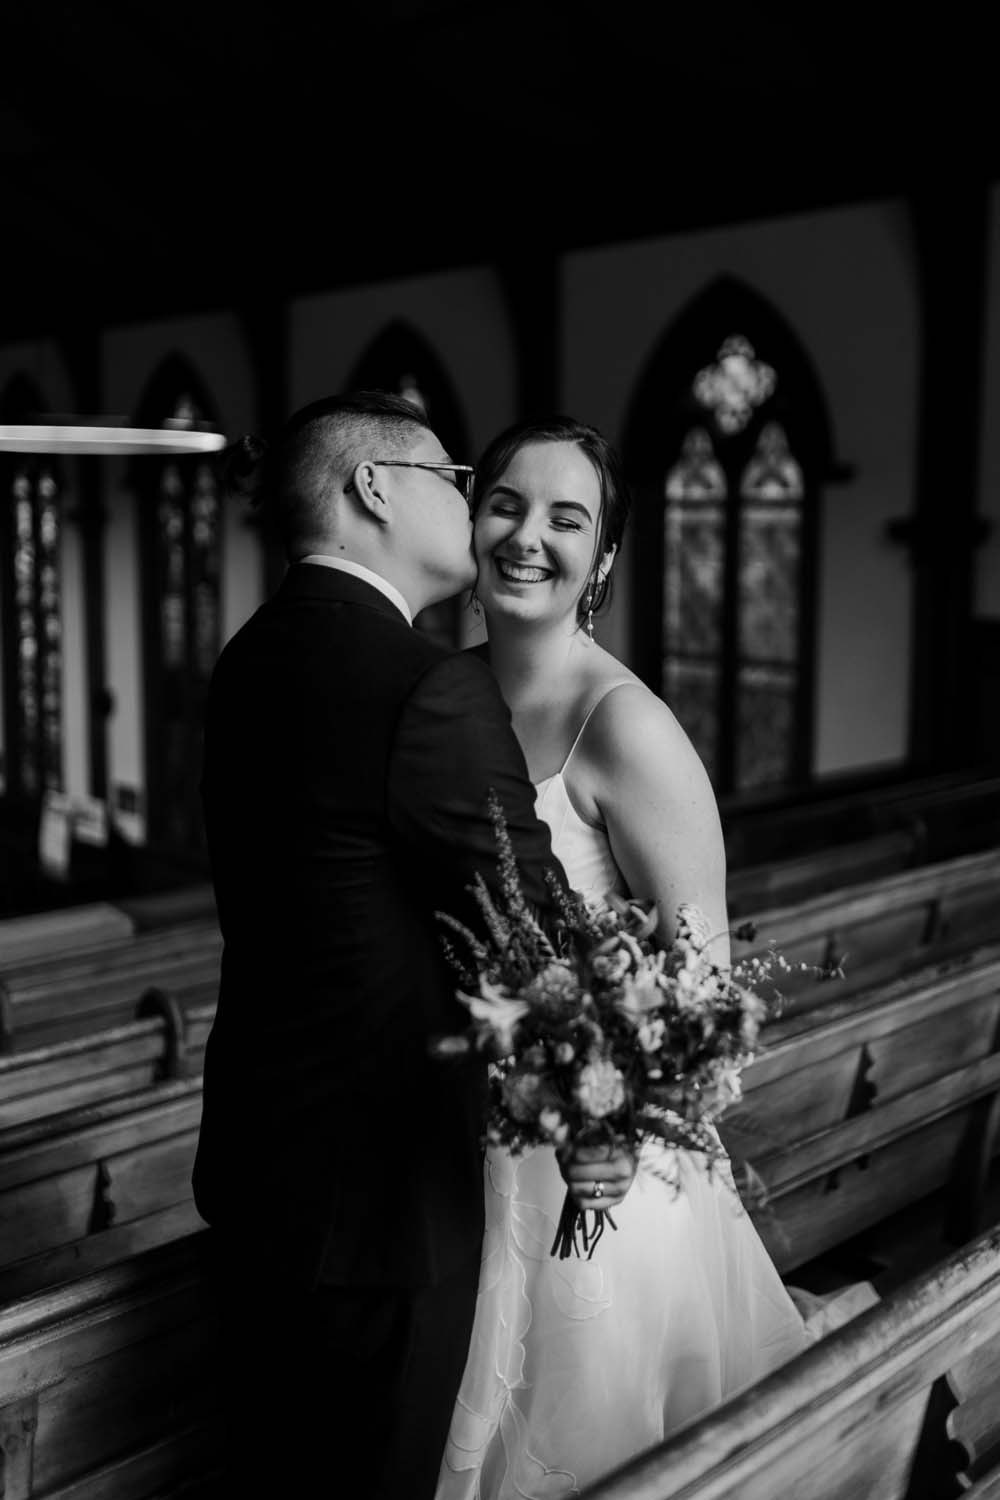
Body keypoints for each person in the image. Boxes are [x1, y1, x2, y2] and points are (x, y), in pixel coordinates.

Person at [191, 392, 617, 1500]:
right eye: (458, 483)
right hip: (381, 1214)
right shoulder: (425, 683)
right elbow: (536, 926)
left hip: (256, 1178)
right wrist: (610, 1087)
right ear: (375, 487)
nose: (474, 509)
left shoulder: (246, 660)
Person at [436, 417, 812, 1500]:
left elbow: (701, 989)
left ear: (600, 560)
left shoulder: (625, 724)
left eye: (565, 518)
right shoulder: (441, 695)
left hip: (595, 1173)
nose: (525, 537)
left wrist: (595, 1112)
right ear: (471, 517)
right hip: (455, 1146)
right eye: (505, 503)